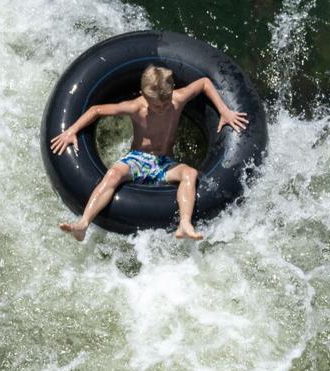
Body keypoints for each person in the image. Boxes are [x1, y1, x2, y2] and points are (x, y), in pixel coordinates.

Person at [49, 64, 249, 243]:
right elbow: (96, 110)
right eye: (156, 105)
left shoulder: (178, 99)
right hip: (137, 159)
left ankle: (185, 224)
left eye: (165, 103)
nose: (162, 108)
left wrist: (224, 111)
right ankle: (83, 224)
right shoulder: (136, 107)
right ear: (144, 95)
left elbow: (204, 83)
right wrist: (71, 131)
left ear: (171, 92)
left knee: (190, 174)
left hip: (165, 162)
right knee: (113, 174)